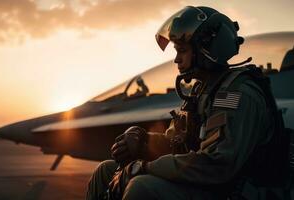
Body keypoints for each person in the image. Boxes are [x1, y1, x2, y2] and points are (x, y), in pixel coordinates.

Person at [86, 6, 288, 200]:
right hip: (208, 184)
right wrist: (144, 142)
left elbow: (217, 165)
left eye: (181, 50)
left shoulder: (238, 95)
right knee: (106, 171)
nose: (176, 59)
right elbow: (179, 145)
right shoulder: (202, 91)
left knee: (142, 187)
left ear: (207, 49)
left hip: (230, 190)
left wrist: (144, 167)